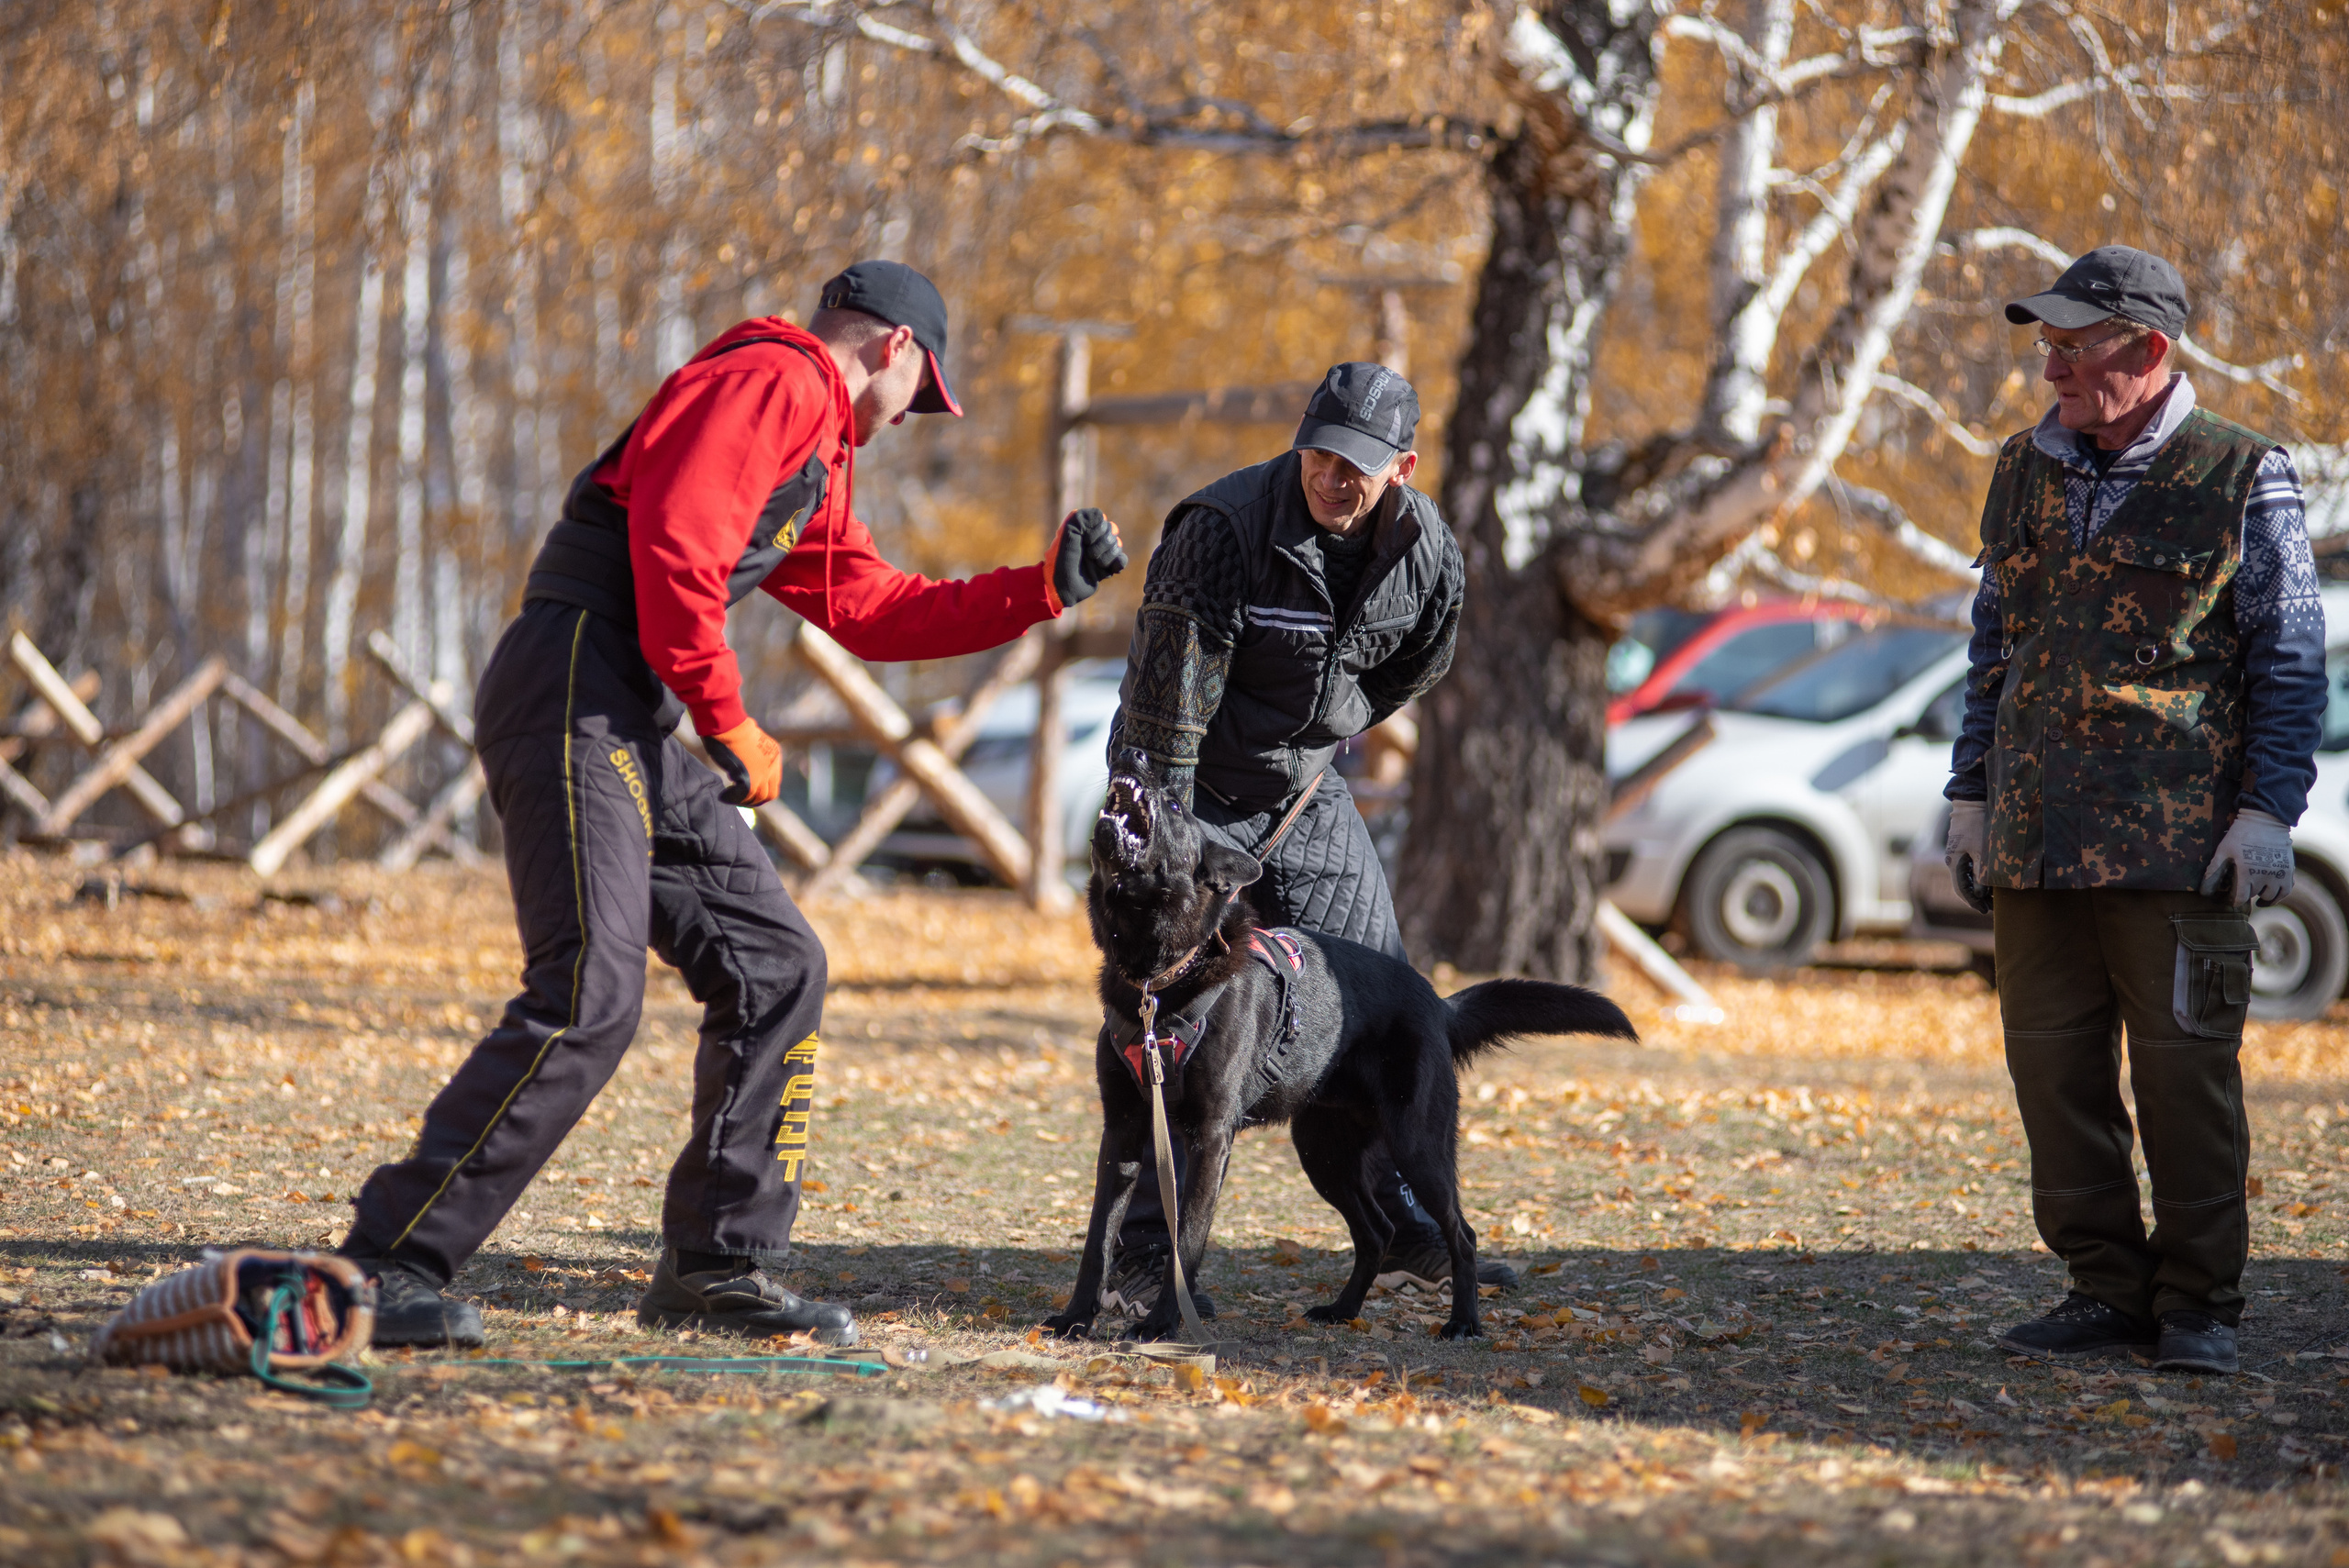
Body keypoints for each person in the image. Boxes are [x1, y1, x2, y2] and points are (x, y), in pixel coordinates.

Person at [336, 261, 1128, 1348]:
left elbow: (869, 604)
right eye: (924, 393)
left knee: (775, 962)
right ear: (896, 347)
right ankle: (385, 1262)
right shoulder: (777, 378)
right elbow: (676, 548)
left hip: (628, 707)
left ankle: (716, 1264)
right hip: (577, 680)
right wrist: (727, 715)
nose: (912, 418)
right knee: (588, 994)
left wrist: (1034, 589)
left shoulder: (815, 449)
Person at [1943, 245, 2322, 1376]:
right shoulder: (2021, 466)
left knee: (2183, 1081)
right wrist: (1968, 789)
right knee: (2052, 1079)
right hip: (2034, 843)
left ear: (2149, 350)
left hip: (2178, 848)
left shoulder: (2246, 473)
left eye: (2073, 343)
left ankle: (2200, 1302)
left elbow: (2290, 660)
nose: (2049, 362)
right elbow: (1991, 645)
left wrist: (2267, 811)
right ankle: (2102, 1288)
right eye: (2045, 342)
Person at [1097, 361, 1516, 1318]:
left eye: (1357, 465)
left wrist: (1330, 726)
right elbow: (1166, 715)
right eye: (1320, 455)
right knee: (1180, 1020)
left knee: (1377, 993)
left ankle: (1404, 1220)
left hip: (1301, 788)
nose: (1334, 477)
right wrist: (1165, 861)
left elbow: (1420, 659)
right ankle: (1146, 1258)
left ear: (1401, 468)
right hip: (1189, 789)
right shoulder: (1222, 529)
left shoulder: (1428, 551)